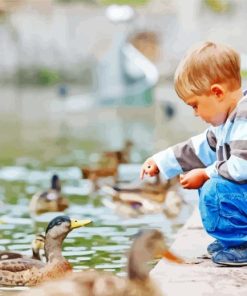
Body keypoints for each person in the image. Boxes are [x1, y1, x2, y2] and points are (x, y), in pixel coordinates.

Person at [140, 41, 247, 266]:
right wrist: (161, 160)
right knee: (211, 185)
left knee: (214, 188)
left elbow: (242, 166)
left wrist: (207, 174)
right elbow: (198, 148)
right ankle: (234, 241)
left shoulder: (244, 117)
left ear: (217, 92)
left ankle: (241, 244)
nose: (195, 114)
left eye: (195, 105)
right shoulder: (225, 123)